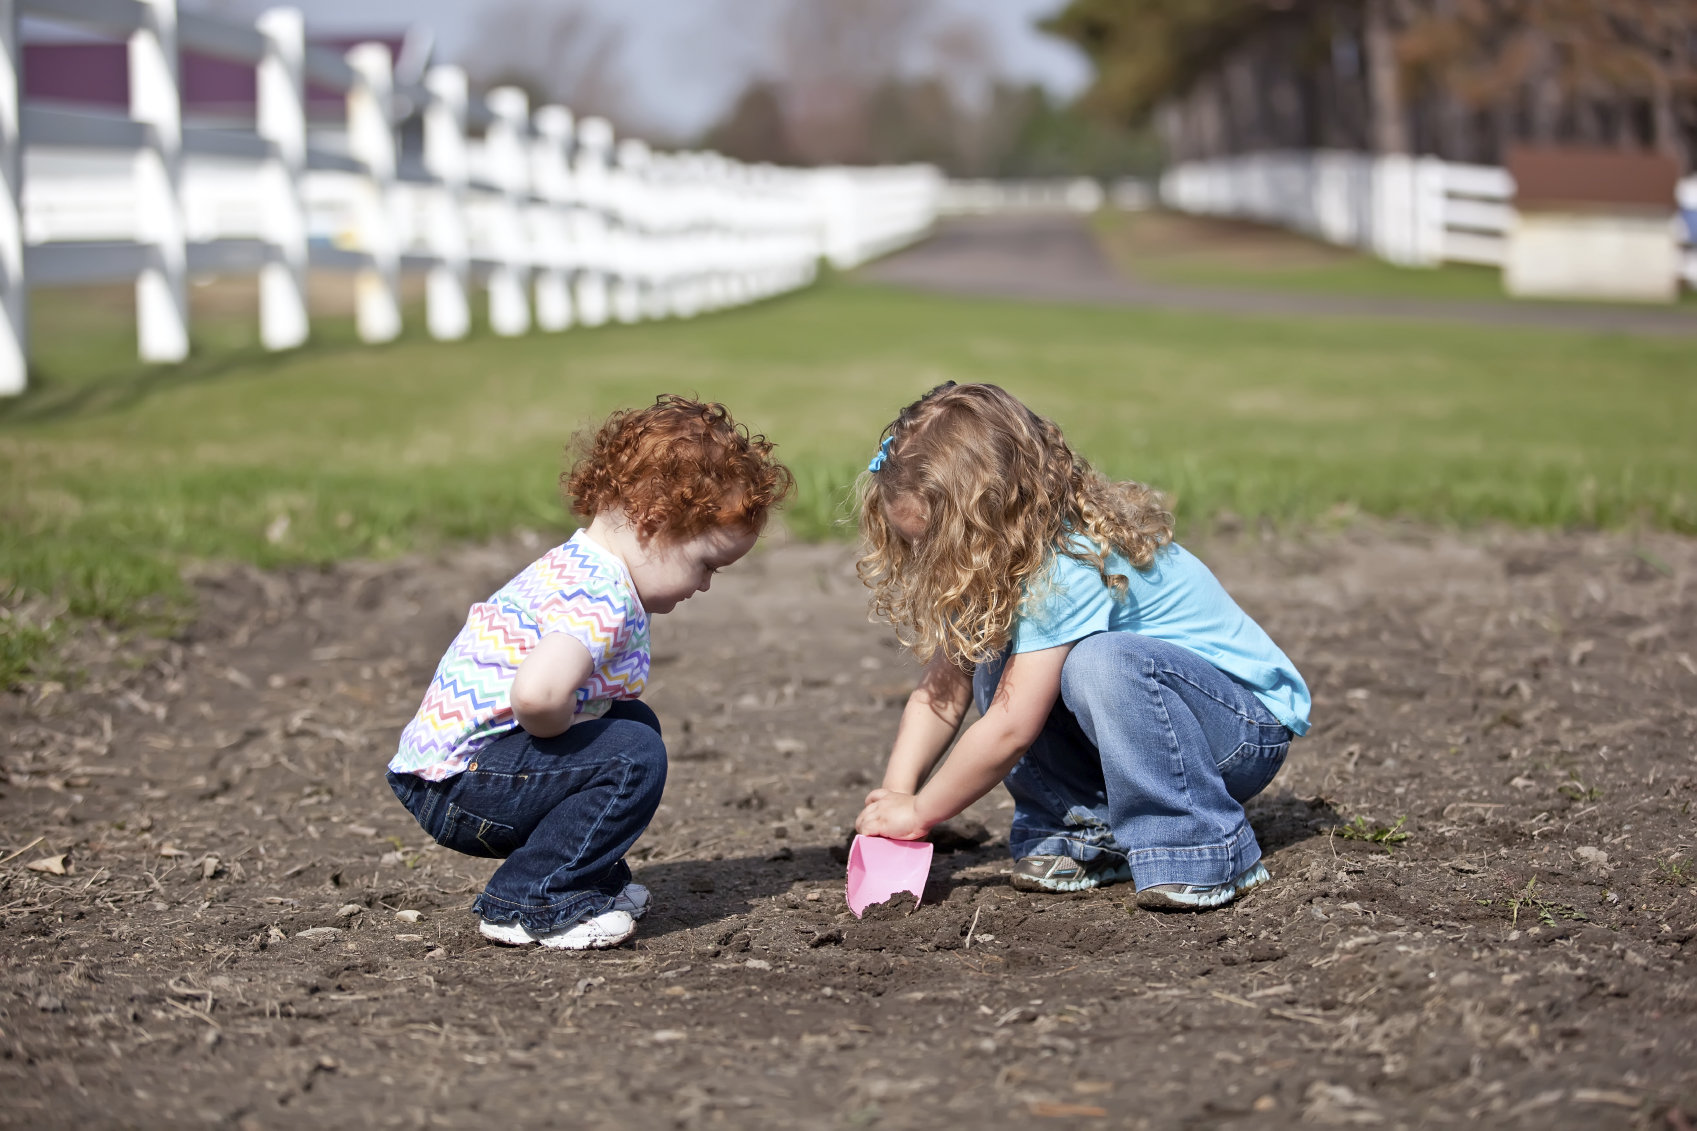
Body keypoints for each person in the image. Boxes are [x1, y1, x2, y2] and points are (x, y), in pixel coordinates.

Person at [852, 383, 1309, 911]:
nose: (926, 556)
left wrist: (921, 812)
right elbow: (941, 694)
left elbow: (1009, 728)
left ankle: (1200, 844)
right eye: (915, 543)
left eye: (936, 541)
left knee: (1097, 663)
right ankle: (1084, 835)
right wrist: (895, 799)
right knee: (991, 657)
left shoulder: (1066, 567)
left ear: (989, 518)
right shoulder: (989, 566)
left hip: (1239, 735)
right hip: (1147, 735)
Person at [388, 396, 793, 948]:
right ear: (655, 523)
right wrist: (557, 732)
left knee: (630, 723)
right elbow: (536, 695)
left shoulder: (576, 564)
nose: (703, 585)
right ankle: (532, 898)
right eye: (705, 564)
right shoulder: (602, 598)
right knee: (633, 753)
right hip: (463, 787)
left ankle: (588, 877)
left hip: (447, 771)